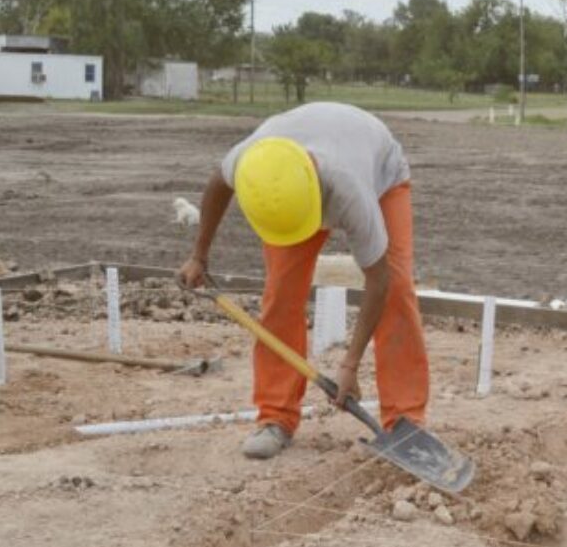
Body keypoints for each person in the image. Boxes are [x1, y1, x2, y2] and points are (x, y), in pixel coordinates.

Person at [177, 102, 428, 459]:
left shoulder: (351, 191)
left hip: (378, 169)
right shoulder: (249, 161)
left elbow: (379, 281)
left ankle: (405, 421)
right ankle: (275, 416)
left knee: (398, 290)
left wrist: (349, 365)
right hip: (293, 179)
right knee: (281, 293)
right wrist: (198, 256)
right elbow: (218, 184)